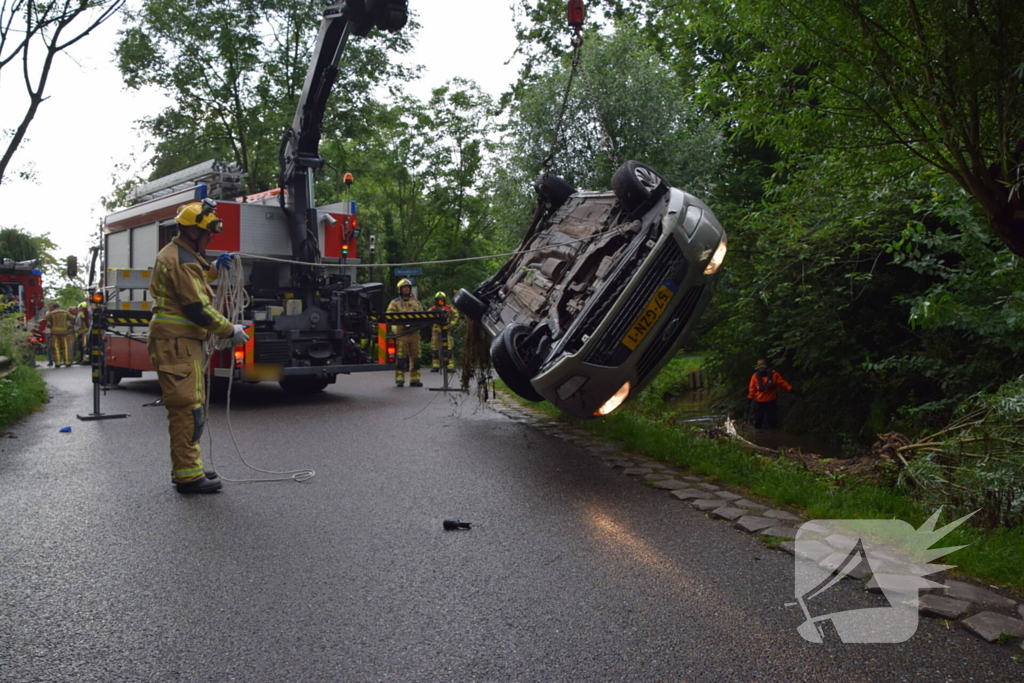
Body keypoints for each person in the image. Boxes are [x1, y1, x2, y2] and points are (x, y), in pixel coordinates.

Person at [147, 199, 249, 494]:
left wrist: (215, 269)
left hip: (180, 342)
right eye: (207, 234)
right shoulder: (181, 260)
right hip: (176, 343)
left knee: (193, 405)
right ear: (192, 231)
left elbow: (194, 282)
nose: (210, 238)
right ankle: (187, 476)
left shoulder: (184, 255)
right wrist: (231, 330)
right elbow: (197, 308)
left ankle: (190, 466)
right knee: (185, 408)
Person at [386, 278, 423, 387]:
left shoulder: (416, 302)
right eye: (404, 288)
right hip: (401, 334)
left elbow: (422, 317)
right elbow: (389, 317)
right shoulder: (394, 303)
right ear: (400, 289)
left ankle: (415, 379)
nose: (406, 289)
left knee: (416, 357)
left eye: (408, 287)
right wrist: (396, 329)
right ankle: (400, 379)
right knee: (401, 358)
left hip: (414, 334)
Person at [747, 359, 794, 429]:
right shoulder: (755, 376)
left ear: (766, 365)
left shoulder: (774, 375)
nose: (761, 367)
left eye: (762, 365)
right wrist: (749, 400)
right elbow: (752, 389)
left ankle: (773, 435)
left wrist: (792, 390)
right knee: (758, 421)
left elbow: (783, 384)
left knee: (772, 421)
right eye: (759, 365)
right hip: (759, 401)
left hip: (771, 400)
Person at [428, 291, 459, 372]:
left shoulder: (449, 308)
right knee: (435, 348)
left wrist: (451, 324)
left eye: (442, 299)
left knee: (448, 348)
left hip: (445, 330)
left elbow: (456, 316)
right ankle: (436, 365)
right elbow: (426, 316)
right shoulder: (433, 309)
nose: (440, 301)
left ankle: (450, 365)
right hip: (435, 331)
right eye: (439, 300)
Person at [42, 302, 72, 367]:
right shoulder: (65, 312)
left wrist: (50, 325)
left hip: (55, 332)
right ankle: (67, 361)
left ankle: (58, 362)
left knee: (56, 347)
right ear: (59, 306)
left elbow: (45, 319)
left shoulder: (51, 313)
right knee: (66, 347)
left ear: (53, 307)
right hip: (64, 332)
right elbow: (72, 318)